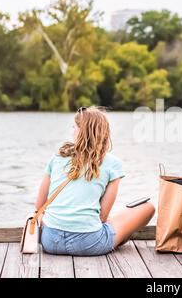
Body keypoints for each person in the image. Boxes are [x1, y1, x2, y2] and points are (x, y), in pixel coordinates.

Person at [35, 106, 155, 256]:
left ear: (80, 132)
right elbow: (103, 217)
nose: (71, 130)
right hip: (89, 243)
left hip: (50, 242)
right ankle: (117, 239)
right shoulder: (113, 164)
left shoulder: (57, 158)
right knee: (148, 207)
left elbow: (39, 207)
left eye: (74, 127)